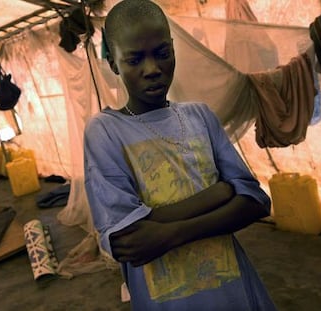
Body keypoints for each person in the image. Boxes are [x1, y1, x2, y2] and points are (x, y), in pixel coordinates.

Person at [83, 0, 276, 310]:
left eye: (162, 54)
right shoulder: (106, 130)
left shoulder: (200, 116)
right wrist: (221, 192)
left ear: (173, 48)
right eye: (134, 60)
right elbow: (127, 239)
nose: (152, 70)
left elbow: (255, 201)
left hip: (235, 292)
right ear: (115, 64)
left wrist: (168, 233)